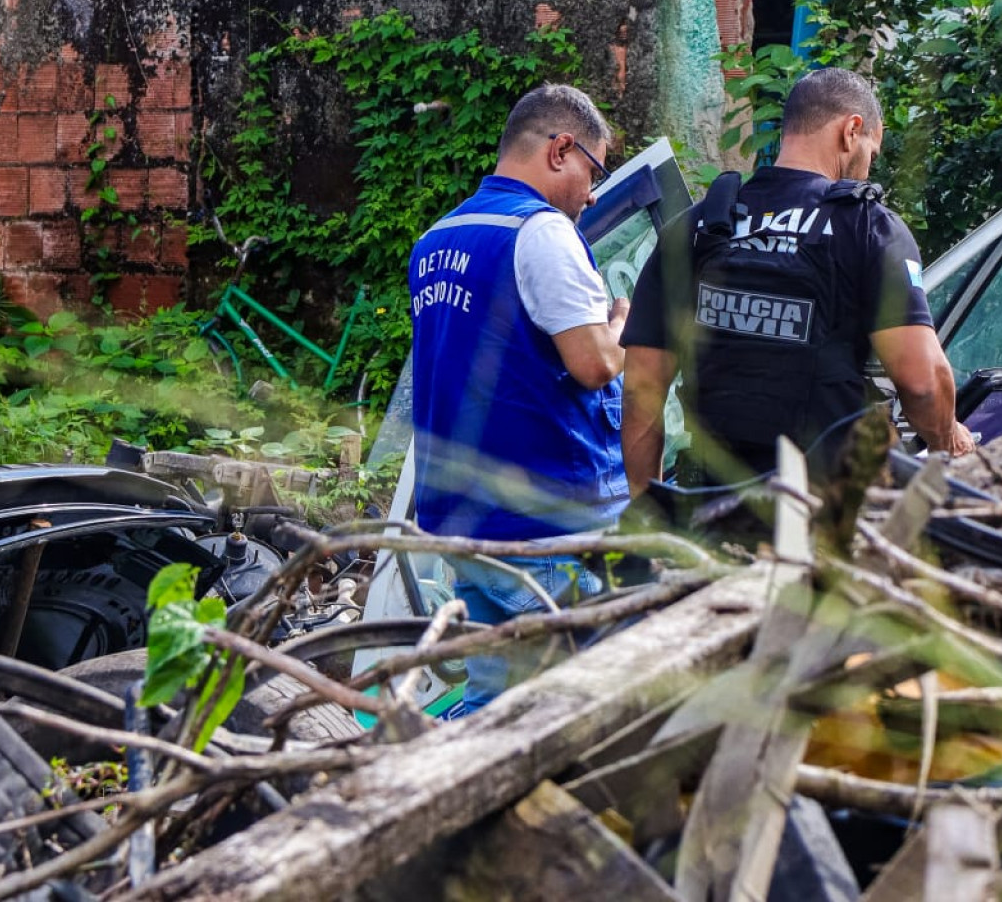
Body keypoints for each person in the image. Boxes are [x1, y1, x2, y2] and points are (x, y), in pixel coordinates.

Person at [619, 68, 972, 498]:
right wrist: (947, 440)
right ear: (851, 130)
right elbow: (923, 382)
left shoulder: (697, 227)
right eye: (871, 152)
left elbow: (642, 390)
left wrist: (647, 507)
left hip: (711, 508)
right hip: (824, 513)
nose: (866, 166)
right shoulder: (868, 229)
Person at [408, 83, 629, 714]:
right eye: (595, 170)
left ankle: (422, 787)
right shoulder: (543, 234)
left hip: (463, 519)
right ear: (561, 149)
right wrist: (620, 324)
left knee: (497, 691)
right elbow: (593, 366)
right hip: (543, 526)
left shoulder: (439, 238)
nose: (591, 193)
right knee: (562, 705)